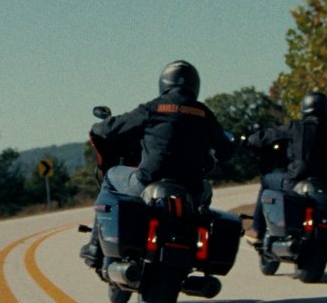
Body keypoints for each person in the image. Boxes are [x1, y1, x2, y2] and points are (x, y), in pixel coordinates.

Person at [79, 60, 234, 268]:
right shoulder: (205, 114)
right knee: (205, 194)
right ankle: (193, 244)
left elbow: (112, 128)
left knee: (111, 176)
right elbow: (226, 151)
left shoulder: (154, 108)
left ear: (165, 83)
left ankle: (95, 246)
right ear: (195, 85)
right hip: (191, 188)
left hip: (148, 180)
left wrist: (98, 127)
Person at [244, 91, 327, 238]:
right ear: (326, 110)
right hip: (325, 184)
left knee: (267, 180)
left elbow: (262, 138)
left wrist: (250, 140)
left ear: (305, 109)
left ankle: (257, 229)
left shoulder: (295, 127)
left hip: (295, 179)